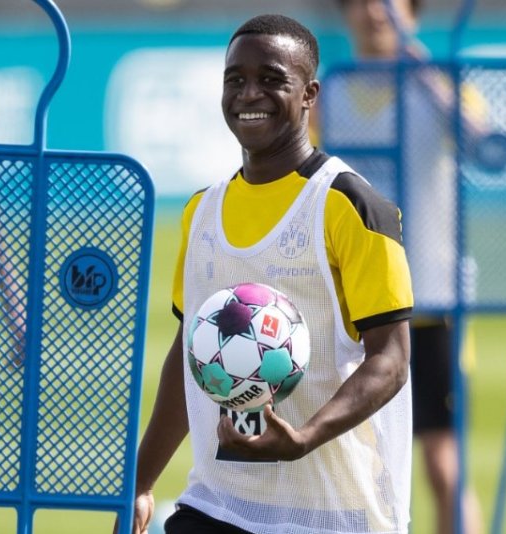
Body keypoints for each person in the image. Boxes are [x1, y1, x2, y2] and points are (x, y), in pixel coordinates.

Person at [129, 13, 414, 534]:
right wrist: (141, 480)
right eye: (235, 79)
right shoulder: (202, 212)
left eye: (271, 79)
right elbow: (189, 353)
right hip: (219, 504)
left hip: (333, 513)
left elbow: (391, 359)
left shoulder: (350, 205)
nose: (249, 94)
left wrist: (303, 436)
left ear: (309, 93)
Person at [326, 1, 484, 533]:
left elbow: (486, 148)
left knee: (443, 465)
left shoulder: (440, 86)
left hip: (431, 297)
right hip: (352, 301)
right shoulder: (331, 91)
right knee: (353, 466)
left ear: (415, 14)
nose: (376, 13)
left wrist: (425, 74)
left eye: (391, 3)